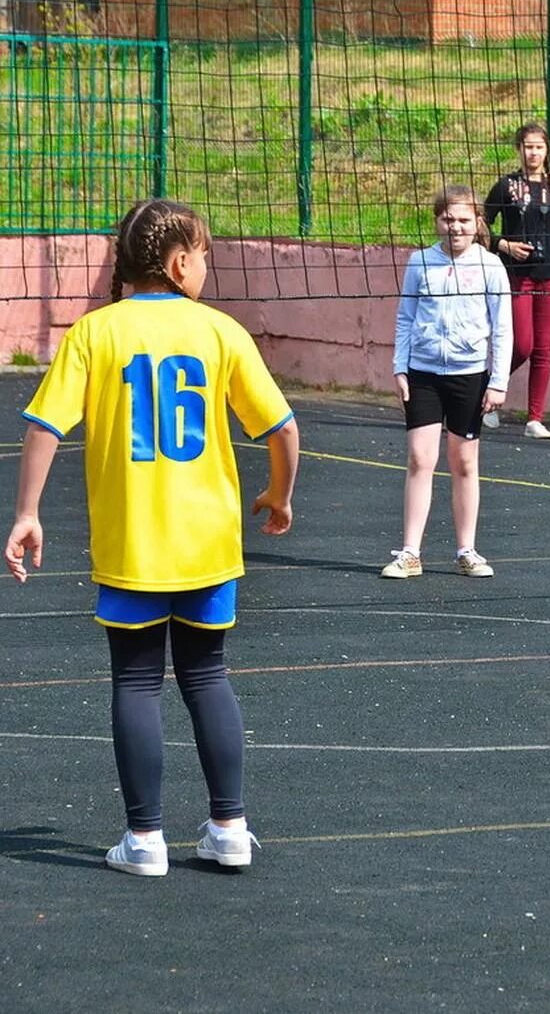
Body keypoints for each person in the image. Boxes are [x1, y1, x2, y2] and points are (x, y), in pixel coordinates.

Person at [5, 198, 300, 877]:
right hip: (207, 546)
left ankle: (144, 841)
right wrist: (278, 496)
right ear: (178, 263)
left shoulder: (93, 334)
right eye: (205, 258)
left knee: (136, 681)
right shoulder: (220, 332)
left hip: (132, 544)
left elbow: (44, 428)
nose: (207, 269)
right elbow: (283, 430)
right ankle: (229, 826)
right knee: (207, 674)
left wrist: (27, 513)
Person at [382, 184, 511, 579]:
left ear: (478, 223)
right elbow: (405, 317)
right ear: (438, 221)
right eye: (448, 219)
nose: (455, 227)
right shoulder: (420, 262)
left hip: (469, 374)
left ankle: (466, 550)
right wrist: (399, 367)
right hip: (422, 373)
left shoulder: (491, 266)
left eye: (463, 220)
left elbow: (503, 327)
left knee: (464, 462)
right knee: (421, 458)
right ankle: (410, 553)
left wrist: (498, 380)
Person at [483, 120, 550, 440]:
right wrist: (504, 245)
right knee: (522, 345)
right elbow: (481, 226)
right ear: (518, 150)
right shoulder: (506, 186)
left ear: (547, 150)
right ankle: (487, 392)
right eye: (527, 146)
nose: (533, 152)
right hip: (517, 276)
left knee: (544, 349)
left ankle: (535, 418)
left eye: (539, 146)